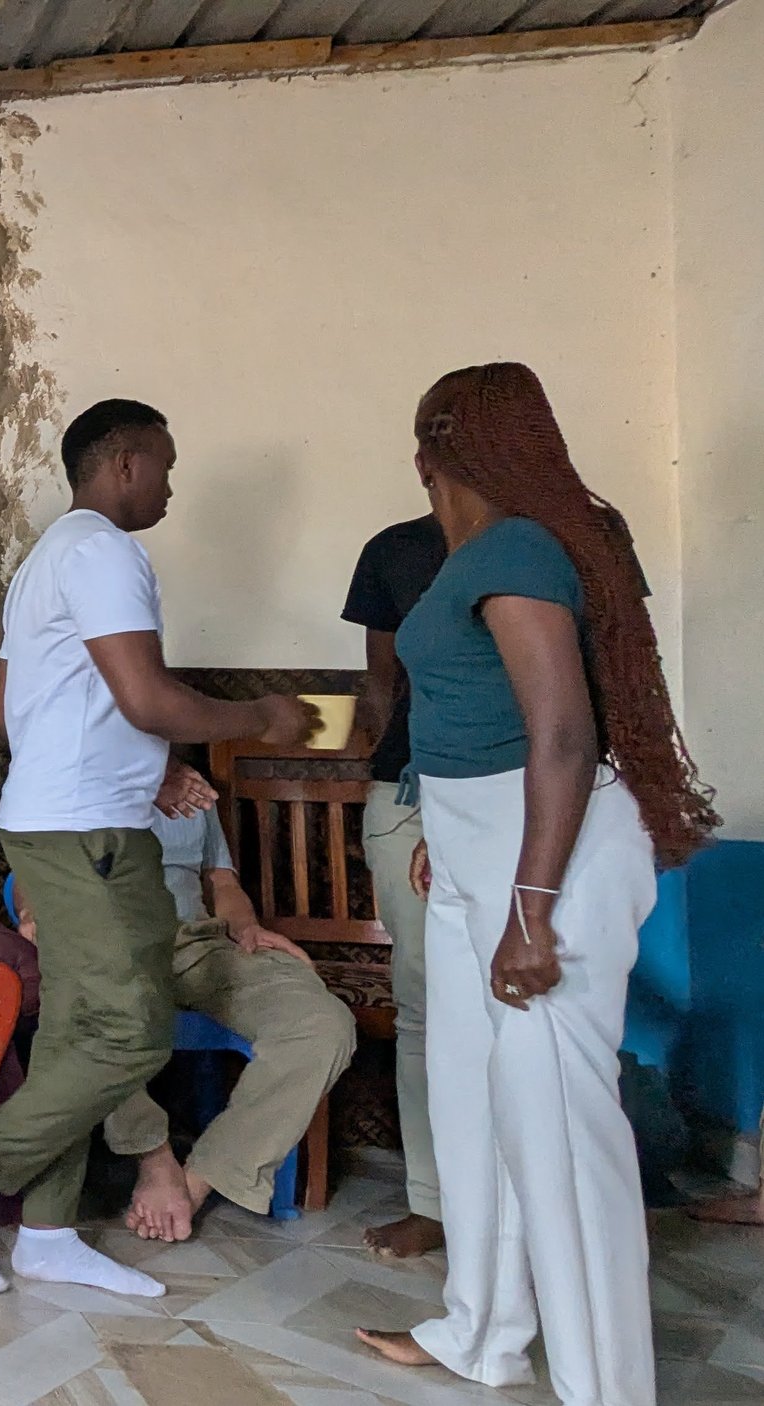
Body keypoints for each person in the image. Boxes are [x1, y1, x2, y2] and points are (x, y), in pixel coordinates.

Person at [355, 363, 715, 1406]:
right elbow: (477, 716)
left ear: (436, 443)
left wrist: (530, 904)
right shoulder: (496, 544)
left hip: (545, 854)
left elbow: (560, 733)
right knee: (475, 1104)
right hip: (483, 846)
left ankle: (608, 1387)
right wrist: (447, 832)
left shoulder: (521, 544)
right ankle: (482, 1329)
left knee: (557, 1131)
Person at [0, 399, 314, 1297]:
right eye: (166, 467)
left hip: (68, 820)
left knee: (73, 1034)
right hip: (86, 832)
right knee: (132, 1034)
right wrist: (262, 715)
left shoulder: (44, 563)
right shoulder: (104, 551)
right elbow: (143, 696)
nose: (171, 487)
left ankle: (50, 1234)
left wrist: (153, 764)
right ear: (127, 462)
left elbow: (9, 711)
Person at [83, 796, 357, 1241]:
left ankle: (199, 1179)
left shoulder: (192, 793)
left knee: (322, 1024)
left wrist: (247, 926)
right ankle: (153, 1159)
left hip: (199, 943)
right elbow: (34, 872)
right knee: (85, 1004)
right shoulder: (78, 774)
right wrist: (37, 916)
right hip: (110, 942)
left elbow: (222, 885)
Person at [340, 511, 450, 1258]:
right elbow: (382, 684)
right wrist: (391, 763)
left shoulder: (551, 535)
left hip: (522, 795)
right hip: (408, 795)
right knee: (423, 1003)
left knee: (528, 1003)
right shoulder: (395, 550)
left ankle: (536, 1196)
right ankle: (435, 1201)